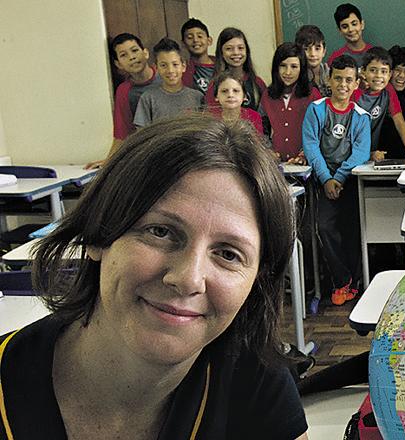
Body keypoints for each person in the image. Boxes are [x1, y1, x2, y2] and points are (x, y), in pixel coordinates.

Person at [0, 113, 307, 438]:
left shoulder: (256, 384)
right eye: (160, 231)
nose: (189, 278)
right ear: (97, 233)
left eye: (228, 254)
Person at [302, 55, 371, 306]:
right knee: (324, 227)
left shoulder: (361, 116)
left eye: (349, 80)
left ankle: (355, 282)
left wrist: (339, 177)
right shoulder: (317, 109)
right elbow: (310, 146)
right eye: (338, 78)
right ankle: (341, 281)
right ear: (329, 79)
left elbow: (361, 152)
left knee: (353, 230)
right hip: (322, 179)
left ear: (356, 84)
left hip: (351, 180)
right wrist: (327, 179)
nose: (343, 84)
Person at [89, 33, 163, 169]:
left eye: (135, 51)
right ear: (118, 64)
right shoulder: (124, 91)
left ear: (145, 53)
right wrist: (110, 160)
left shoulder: (166, 75)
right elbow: (122, 132)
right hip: (148, 154)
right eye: (124, 55)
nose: (132, 57)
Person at [260, 42, 322, 163]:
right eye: (283, 66)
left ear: (302, 68)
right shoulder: (267, 95)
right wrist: (268, 151)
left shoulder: (313, 95)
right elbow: (262, 129)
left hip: (306, 164)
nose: (287, 72)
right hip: (277, 164)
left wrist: (305, 154)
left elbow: (320, 130)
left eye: (294, 67)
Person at [354, 47, 405, 161]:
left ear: (389, 74)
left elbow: (400, 123)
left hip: (370, 155)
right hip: (351, 153)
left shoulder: (388, 90)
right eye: (373, 70)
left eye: (383, 71)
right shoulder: (355, 91)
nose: (378, 76)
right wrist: (368, 154)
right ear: (363, 71)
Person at [134, 38, 204, 128]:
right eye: (163, 65)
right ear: (156, 68)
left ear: (183, 66)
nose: (170, 70)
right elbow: (142, 133)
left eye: (175, 65)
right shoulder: (148, 98)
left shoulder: (197, 97)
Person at [204, 27, 267, 113]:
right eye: (229, 49)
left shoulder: (257, 83)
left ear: (247, 51)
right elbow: (211, 119)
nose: (236, 53)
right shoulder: (214, 86)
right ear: (221, 53)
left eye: (240, 48)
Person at [181, 18, 217, 94]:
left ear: (209, 41)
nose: (195, 40)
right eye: (190, 37)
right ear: (183, 44)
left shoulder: (222, 65)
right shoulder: (183, 70)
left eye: (200, 36)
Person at [295, 24, 330, 97]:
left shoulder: (331, 74)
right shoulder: (296, 78)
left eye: (317, 49)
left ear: (324, 51)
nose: (313, 54)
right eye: (306, 49)